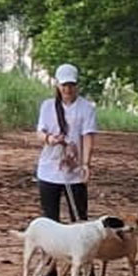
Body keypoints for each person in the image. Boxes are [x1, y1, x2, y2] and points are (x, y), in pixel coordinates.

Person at [35, 63, 98, 223]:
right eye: (64, 85)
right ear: (57, 85)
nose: (67, 89)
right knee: (49, 219)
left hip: (75, 172)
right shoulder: (47, 106)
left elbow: (87, 137)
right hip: (49, 169)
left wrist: (86, 164)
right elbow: (40, 132)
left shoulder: (86, 108)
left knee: (79, 218)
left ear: (77, 85)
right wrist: (50, 139)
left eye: (71, 85)